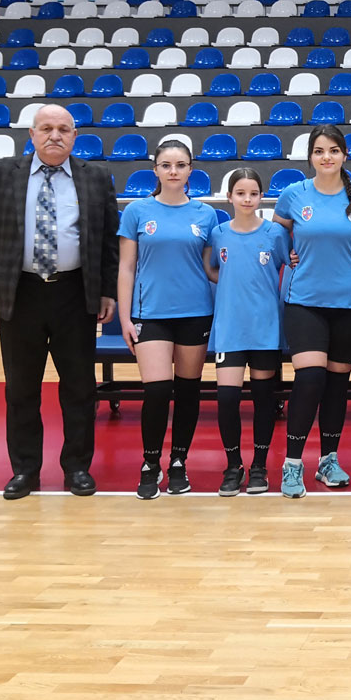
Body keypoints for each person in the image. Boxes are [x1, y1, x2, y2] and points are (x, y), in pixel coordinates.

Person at [0, 103, 118, 500]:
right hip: (21, 293)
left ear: (75, 136)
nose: (55, 135)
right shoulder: (1, 175)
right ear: (31, 135)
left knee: (80, 388)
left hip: (75, 294)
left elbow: (107, 243)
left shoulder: (96, 178)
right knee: (21, 389)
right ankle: (25, 470)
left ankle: (77, 468)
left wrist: (106, 290)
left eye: (64, 129)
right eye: (46, 128)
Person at [273, 125, 351, 494]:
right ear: (311, 157)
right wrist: (289, 252)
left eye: (334, 150)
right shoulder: (293, 194)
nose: (327, 157)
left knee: (336, 384)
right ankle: (292, 463)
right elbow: (275, 234)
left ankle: (328, 460)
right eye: (319, 151)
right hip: (305, 302)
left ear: (345, 155)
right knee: (310, 379)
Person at [117, 139, 219, 499]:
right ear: (155, 170)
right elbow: (127, 267)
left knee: (189, 390)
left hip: (196, 313)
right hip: (151, 315)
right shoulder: (136, 211)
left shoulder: (205, 215)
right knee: (157, 391)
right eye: (166, 165)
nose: (173, 171)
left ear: (191, 170)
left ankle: (179, 462)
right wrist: (127, 317)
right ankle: (149, 463)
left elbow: (212, 269)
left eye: (180, 165)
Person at [206, 168, 290, 497]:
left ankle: (259, 465)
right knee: (227, 399)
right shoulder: (219, 233)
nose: (246, 199)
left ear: (260, 196)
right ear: (229, 197)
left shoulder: (274, 235)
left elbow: (292, 262)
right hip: (229, 327)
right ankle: (233, 465)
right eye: (240, 193)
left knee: (262, 399)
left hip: (265, 327)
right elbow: (212, 269)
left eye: (253, 193)